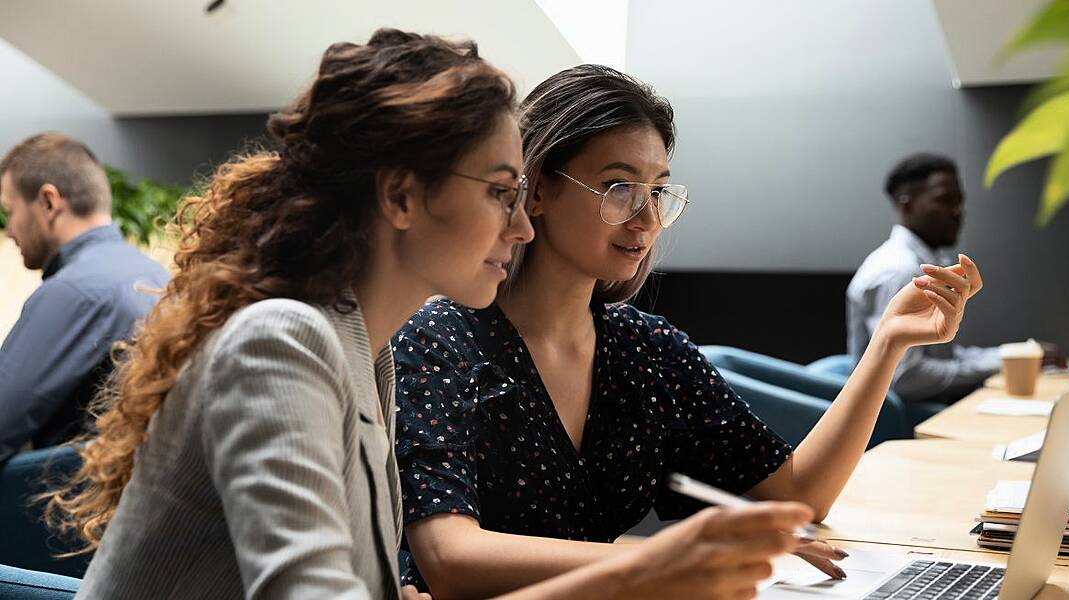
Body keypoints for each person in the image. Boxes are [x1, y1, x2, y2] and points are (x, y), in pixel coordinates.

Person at [43, 30, 813, 600]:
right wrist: (642, 571)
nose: (519, 226)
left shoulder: (365, 349)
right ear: (403, 196)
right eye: (499, 191)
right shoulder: (284, 343)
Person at [392, 66, 986, 598]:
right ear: (538, 187)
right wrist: (667, 559)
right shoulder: (441, 336)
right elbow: (450, 558)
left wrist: (888, 343)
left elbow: (794, 497)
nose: (647, 219)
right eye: (619, 188)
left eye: (658, 192)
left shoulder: (646, 349)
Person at [0, 133, 168, 463]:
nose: (9, 231)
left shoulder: (76, 291)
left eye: (11, 211)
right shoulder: (158, 278)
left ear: (48, 202)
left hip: (76, 506)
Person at [846, 153, 1001, 404]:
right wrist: (994, 367)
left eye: (960, 202)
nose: (957, 212)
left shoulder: (924, 263)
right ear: (906, 206)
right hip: (906, 418)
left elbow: (941, 355)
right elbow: (906, 377)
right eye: (944, 200)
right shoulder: (900, 272)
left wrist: (1008, 357)